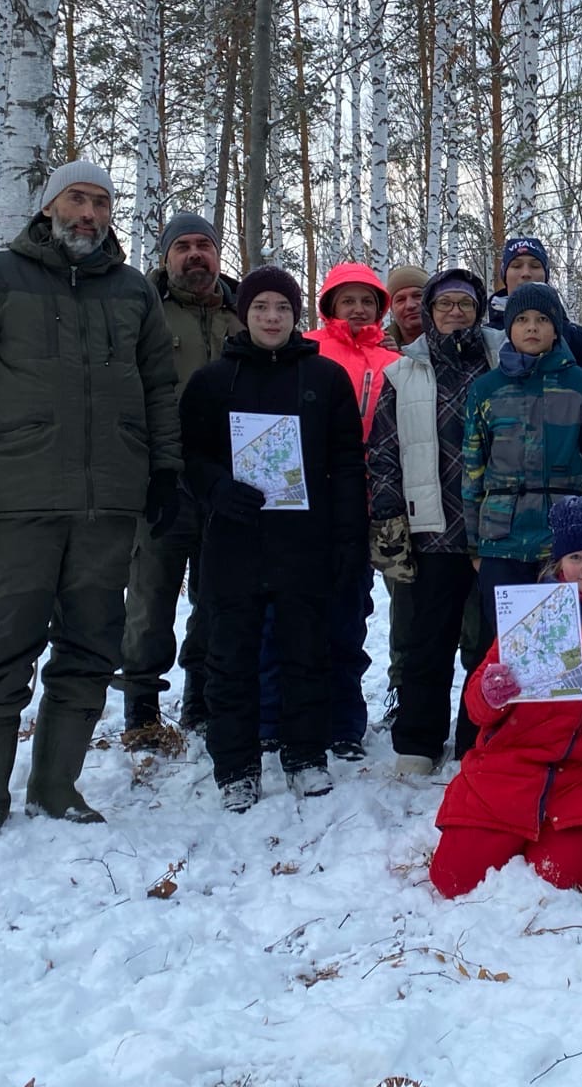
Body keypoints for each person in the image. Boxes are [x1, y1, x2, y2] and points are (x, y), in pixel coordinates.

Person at [0, 159, 181, 861]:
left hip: (109, 504)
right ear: (48, 208)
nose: (90, 212)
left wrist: (164, 471)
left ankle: (57, 786)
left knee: (91, 643)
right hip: (20, 497)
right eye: (77, 198)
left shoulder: (133, 292)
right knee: (1, 644)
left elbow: (159, 386)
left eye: (102, 202)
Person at [179, 267, 366, 810]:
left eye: (282, 308)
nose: (271, 317)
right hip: (235, 540)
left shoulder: (324, 380)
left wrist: (348, 538)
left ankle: (305, 754)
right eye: (261, 307)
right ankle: (234, 763)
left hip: (304, 540)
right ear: (244, 313)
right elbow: (190, 456)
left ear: (296, 315)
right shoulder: (213, 381)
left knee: (306, 651)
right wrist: (217, 489)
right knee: (230, 655)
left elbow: (347, 464)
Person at [429, 498, 582, 897]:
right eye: (576, 556)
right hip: (509, 769)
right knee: (454, 881)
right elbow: (476, 707)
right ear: (559, 562)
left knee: (569, 880)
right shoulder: (531, 617)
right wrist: (492, 693)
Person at [461, 282, 582, 753]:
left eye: (543, 321)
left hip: (564, 538)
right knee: (502, 643)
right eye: (523, 321)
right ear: (509, 328)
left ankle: (559, 735)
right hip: (502, 535)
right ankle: (491, 736)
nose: (533, 328)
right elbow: (473, 469)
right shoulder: (486, 389)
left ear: (557, 328)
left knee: (565, 645)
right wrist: (475, 541)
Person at [367, 268, 501, 772]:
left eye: (465, 304)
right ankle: (418, 743)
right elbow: (382, 447)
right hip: (431, 525)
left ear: (479, 309)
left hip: (494, 530)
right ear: (428, 313)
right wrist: (388, 511)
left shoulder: (502, 361)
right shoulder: (404, 370)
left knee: (487, 644)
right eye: (444, 305)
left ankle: (476, 738)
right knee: (428, 642)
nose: (455, 313)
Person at [119, 211, 241, 741]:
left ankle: (200, 703)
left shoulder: (244, 313)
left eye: (205, 245)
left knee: (215, 598)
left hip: (226, 482)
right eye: (183, 246)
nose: (196, 255)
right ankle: (141, 709)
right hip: (160, 479)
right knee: (150, 598)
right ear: (165, 256)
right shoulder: (141, 311)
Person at [301, 262, 398, 761]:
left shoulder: (392, 361)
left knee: (349, 615)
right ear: (330, 306)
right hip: (309, 501)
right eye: (348, 300)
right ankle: (294, 717)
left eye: (367, 301)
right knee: (300, 613)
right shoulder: (309, 348)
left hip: (364, 503)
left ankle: (345, 722)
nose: (358, 309)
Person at [485, 232, 582, 384]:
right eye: (516, 266)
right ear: (504, 275)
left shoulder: (581, 340)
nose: (526, 273)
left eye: (535, 266)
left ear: (546, 274)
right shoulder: (484, 339)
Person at [382, 264, 428, 349]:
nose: (410, 305)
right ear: (391, 308)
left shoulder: (454, 342)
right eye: (400, 300)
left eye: (418, 296)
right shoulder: (380, 347)